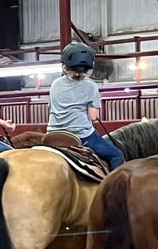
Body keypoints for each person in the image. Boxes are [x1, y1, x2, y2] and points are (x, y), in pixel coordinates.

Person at [47, 42, 125, 170]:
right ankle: (111, 188)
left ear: (65, 65)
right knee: (116, 155)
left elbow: (51, 107)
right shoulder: (91, 85)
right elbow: (94, 117)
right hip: (81, 136)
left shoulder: (55, 83)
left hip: (53, 134)